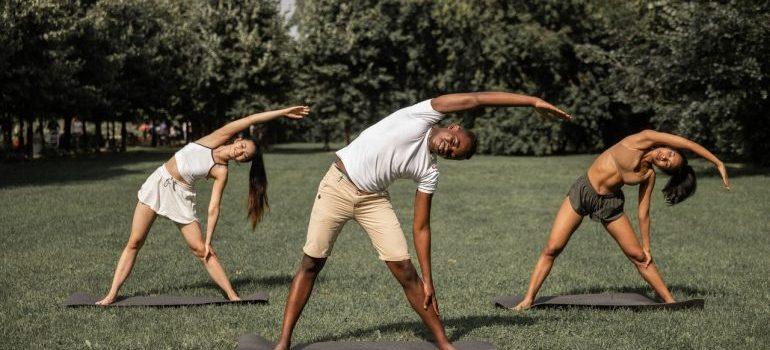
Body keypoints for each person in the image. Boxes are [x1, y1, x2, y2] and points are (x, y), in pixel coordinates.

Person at [274, 92, 570, 350]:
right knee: (311, 263)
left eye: (453, 153)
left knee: (406, 270)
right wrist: (532, 101)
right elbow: (477, 99)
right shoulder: (422, 115)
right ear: (452, 126)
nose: (448, 148)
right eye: (453, 141)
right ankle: (283, 342)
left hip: (374, 200)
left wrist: (429, 278)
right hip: (337, 185)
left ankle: (443, 342)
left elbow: (421, 226)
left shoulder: (429, 170)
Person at [95, 106, 310, 305]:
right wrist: (284, 112)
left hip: (181, 196)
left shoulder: (221, 171)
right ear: (238, 140)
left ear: (242, 161)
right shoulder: (215, 138)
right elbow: (251, 118)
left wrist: (208, 239)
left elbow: (214, 207)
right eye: (243, 146)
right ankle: (111, 294)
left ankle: (233, 296)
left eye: (245, 156)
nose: (241, 152)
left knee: (202, 250)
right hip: (158, 183)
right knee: (135, 241)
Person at [513, 130, 731, 310]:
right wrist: (717, 162)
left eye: (668, 165)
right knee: (552, 248)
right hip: (584, 191)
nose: (665, 158)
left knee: (639, 257)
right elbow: (685, 141)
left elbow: (643, 212)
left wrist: (647, 246)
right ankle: (528, 299)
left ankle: (670, 302)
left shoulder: (648, 175)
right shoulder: (642, 139)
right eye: (670, 154)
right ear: (668, 146)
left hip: (609, 203)